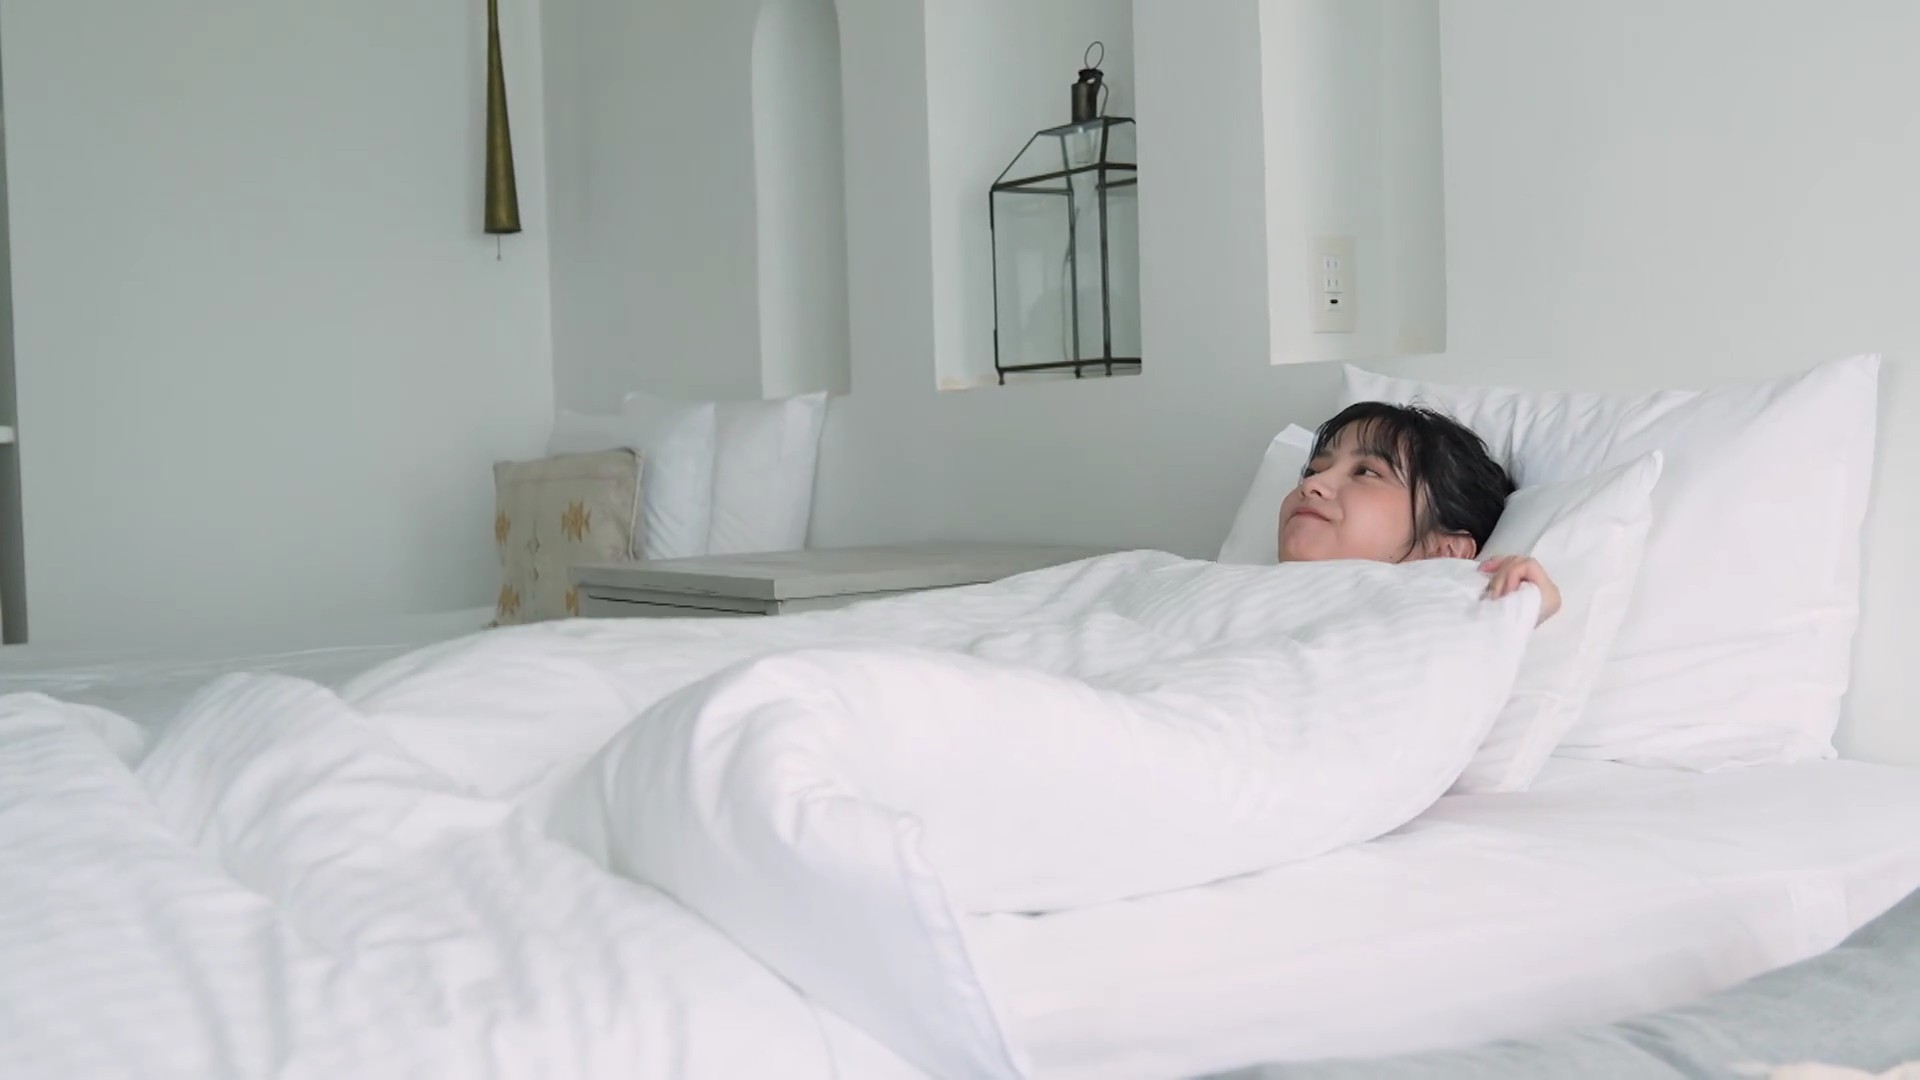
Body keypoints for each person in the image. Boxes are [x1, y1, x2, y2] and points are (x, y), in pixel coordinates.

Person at [1278, 401, 1561, 624]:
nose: (1312, 484)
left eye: (1366, 472)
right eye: (1313, 471)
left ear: (1444, 550)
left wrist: (1526, 606)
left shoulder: (1422, 627)